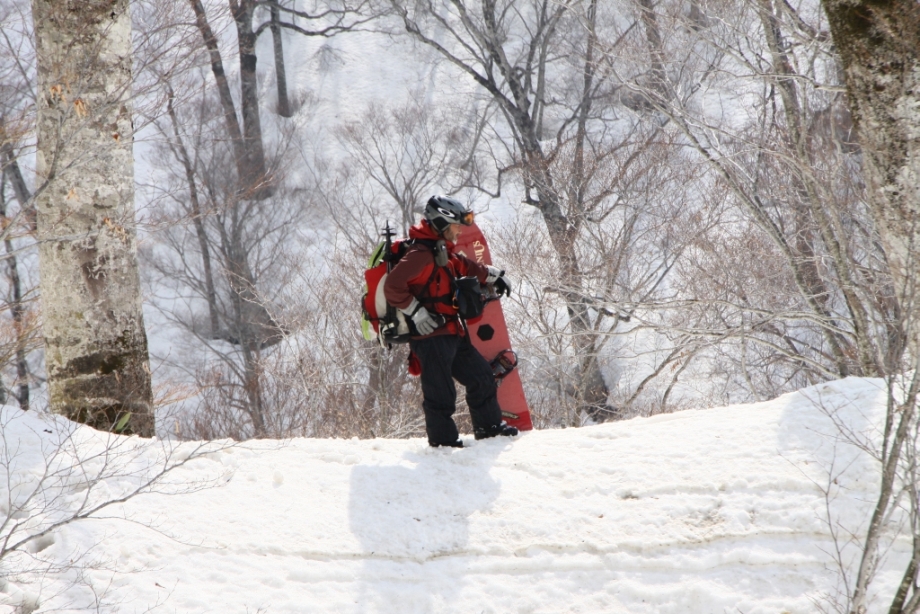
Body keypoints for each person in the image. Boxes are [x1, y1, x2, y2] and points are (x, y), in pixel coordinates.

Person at [384, 195, 519, 448]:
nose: (459, 230)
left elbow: (463, 265)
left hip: (452, 331)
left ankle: (489, 429)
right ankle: (444, 445)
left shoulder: (439, 249)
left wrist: (492, 275)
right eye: (457, 225)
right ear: (442, 222)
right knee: (440, 393)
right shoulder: (420, 254)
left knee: (480, 377)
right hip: (430, 336)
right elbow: (392, 286)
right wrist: (416, 312)